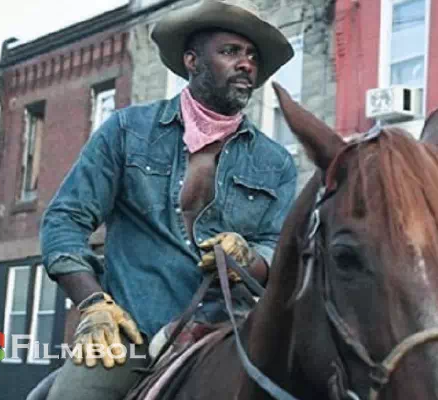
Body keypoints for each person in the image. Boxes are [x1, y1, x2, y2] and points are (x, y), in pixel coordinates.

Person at [36, 1, 297, 399]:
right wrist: (93, 304)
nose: (246, 63)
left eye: (252, 56)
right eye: (230, 51)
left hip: (232, 335)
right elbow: (64, 220)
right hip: (131, 331)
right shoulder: (127, 130)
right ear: (192, 61)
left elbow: (280, 249)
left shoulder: (276, 162)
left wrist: (249, 258)